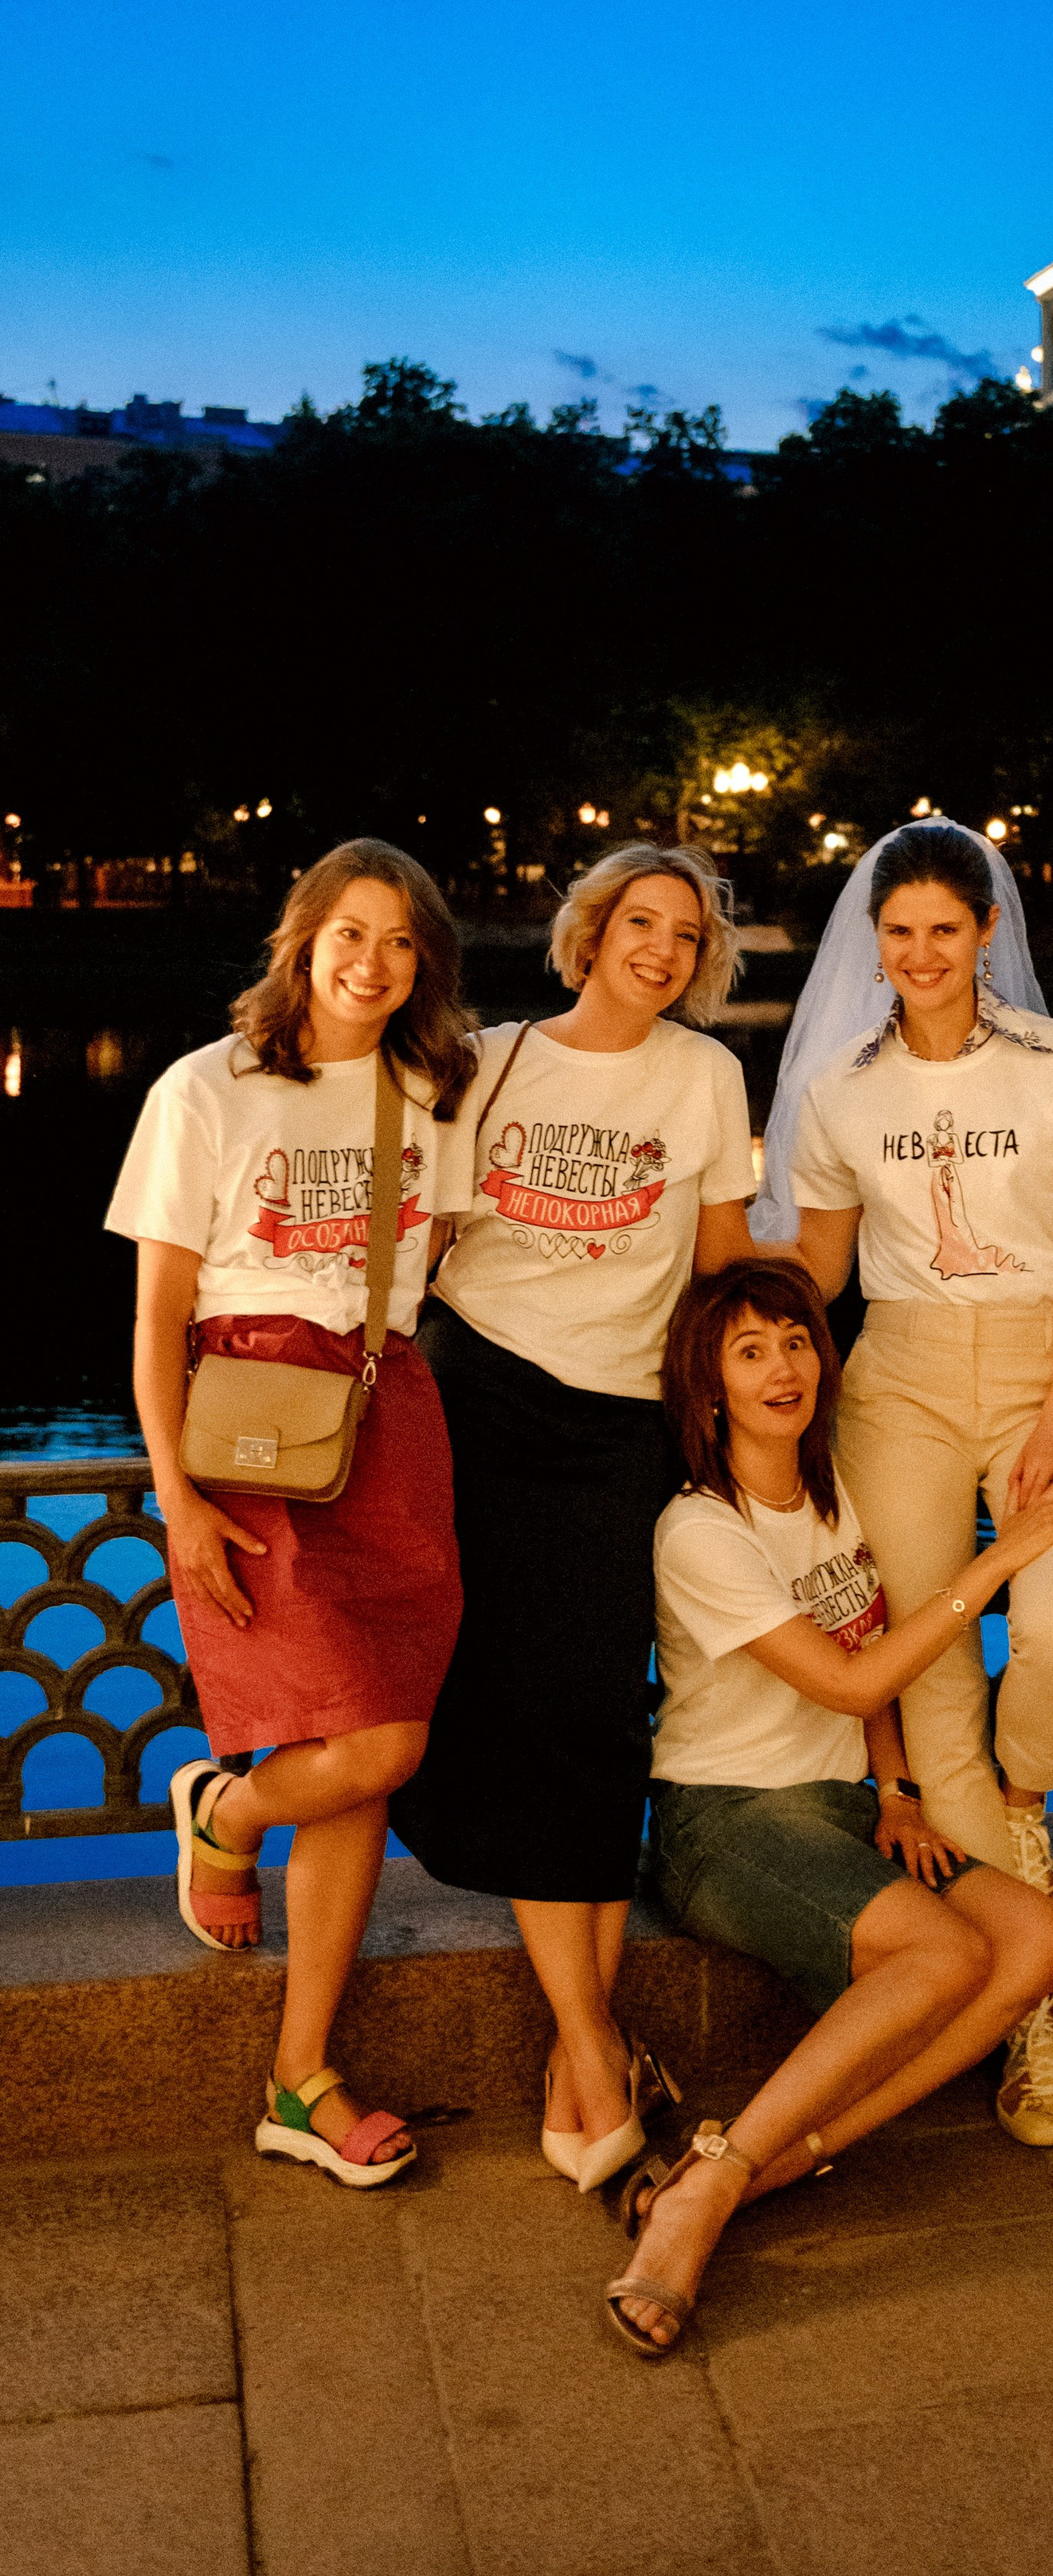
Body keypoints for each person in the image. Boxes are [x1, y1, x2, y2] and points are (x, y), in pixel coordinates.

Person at [604, 1258, 1053, 2355]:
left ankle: (768, 2168)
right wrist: (1002, 1558)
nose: (786, 1366)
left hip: (830, 1809)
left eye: (796, 1340)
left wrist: (899, 1788)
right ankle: (705, 2188)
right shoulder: (702, 1531)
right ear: (708, 1387)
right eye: (751, 1350)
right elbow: (852, 1681)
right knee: (942, 1959)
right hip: (724, 1821)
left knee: (1035, 1939)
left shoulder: (829, 1494)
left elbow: (863, 1642)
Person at [759, 817, 1053, 2146]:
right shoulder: (843, 1088)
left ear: (989, 931)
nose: (921, 952)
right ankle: (1035, 2031)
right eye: (899, 930)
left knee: (1052, 1630)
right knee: (927, 1668)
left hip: (1050, 1359)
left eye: (946, 927)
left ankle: (1016, 1817)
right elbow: (817, 1270)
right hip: (904, 1381)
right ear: (875, 942)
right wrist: (702, 1321)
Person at [391, 843, 757, 2193]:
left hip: (620, 1423)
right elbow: (420, 1246)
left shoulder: (707, 1076)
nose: (659, 947)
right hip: (481, 1398)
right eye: (638, 921)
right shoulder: (489, 1060)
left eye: (685, 932)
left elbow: (721, 1269)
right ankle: (591, 2052)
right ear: (590, 929)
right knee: (516, 1712)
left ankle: (583, 2049)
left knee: (600, 1712)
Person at [109, 838, 474, 2186]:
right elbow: (157, 1317)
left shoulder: (430, 1092)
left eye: (399, 941)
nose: (370, 961)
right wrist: (176, 1492)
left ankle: (297, 2073)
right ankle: (230, 1811)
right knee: (368, 1745)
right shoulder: (206, 1090)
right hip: (249, 1427)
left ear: (424, 962)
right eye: (349, 933)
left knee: (379, 1735)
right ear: (303, 938)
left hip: (388, 1417)